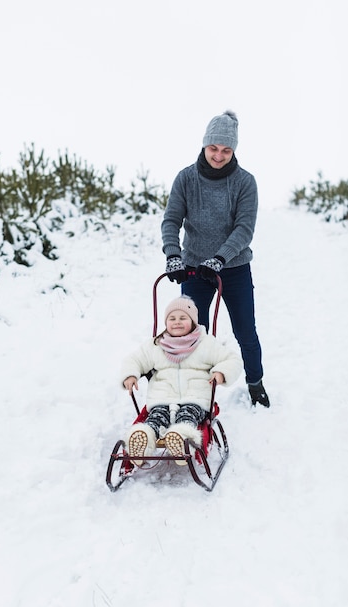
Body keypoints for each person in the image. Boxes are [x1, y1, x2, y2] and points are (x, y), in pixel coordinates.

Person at [161, 110, 270, 408]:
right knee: (194, 333)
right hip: (195, 269)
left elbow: (244, 229)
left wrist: (220, 258)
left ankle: (255, 382)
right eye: (213, 148)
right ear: (204, 145)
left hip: (233, 269)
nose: (219, 156)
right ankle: (196, 393)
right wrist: (173, 253)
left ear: (233, 150)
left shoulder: (245, 182)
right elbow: (171, 220)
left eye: (226, 150)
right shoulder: (186, 178)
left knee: (245, 330)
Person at [121, 295, 242, 466]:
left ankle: (182, 440)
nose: (177, 322)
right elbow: (134, 360)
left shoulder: (205, 343)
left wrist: (221, 373)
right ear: (166, 322)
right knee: (155, 419)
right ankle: (142, 440)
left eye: (183, 318)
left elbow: (232, 360)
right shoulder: (157, 344)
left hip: (196, 399)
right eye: (172, 318)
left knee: (187, 416)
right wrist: (130, 374)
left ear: (193, 322)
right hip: (161, 399)